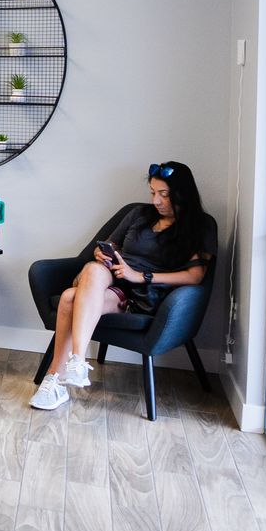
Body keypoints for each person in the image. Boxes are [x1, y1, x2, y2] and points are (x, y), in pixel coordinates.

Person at [31, 160, 212, 412]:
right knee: (94, 268)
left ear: (182, 194)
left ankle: (55, 381)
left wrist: (140, 276)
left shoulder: (199, 227)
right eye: (153, 193)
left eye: (164, 194)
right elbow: (109, 244)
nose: (156, 201)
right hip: (109, 279)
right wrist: (101, 253)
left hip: (141, 295)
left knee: (70, 298)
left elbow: (194, 277)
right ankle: (77, 362)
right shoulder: (139, 214)